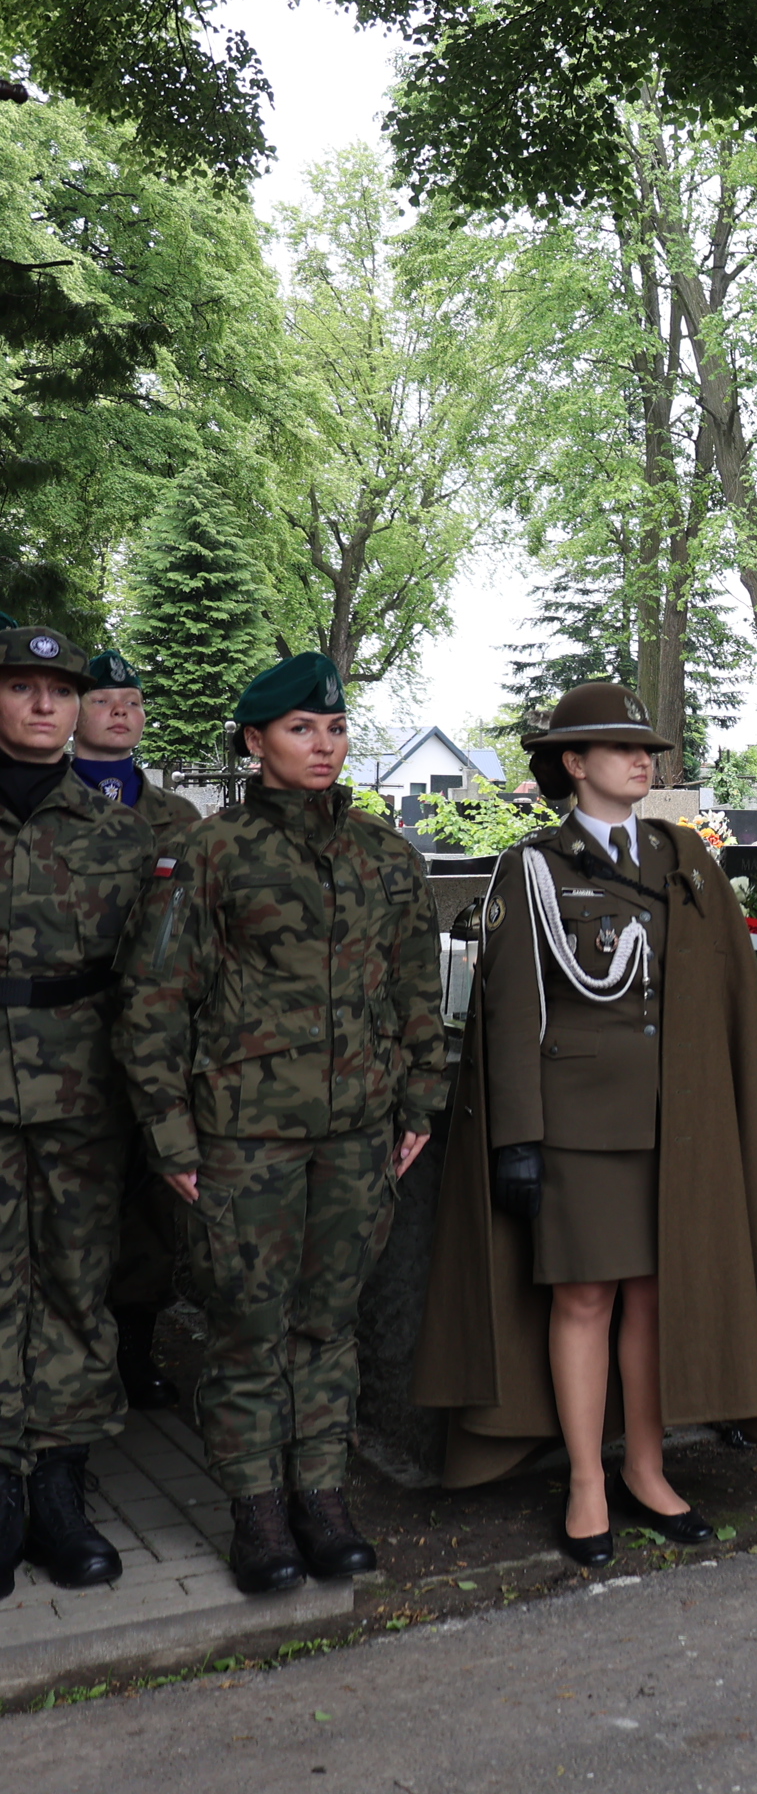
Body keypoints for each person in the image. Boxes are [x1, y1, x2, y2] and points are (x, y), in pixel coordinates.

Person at [411, 682, 757, 1563]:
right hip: (578, 1128)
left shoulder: (684, 857)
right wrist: (517, 1139)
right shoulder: (533, 867)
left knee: (652, 1298)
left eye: (648, 750)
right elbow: (511, 1014)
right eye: (622, 748)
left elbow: (718, 991)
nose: (643, 761)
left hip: (678, 1123)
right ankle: (586, 1482)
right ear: (573, 763)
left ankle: (645, 1467)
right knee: (584, 1298)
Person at [118, 651, 445, 1596]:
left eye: (336, 728)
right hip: (243, 1136)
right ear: (255, 742)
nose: (324, 745)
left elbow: (417, 988)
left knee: (329, 1322)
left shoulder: (384, 856)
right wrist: (169, 1134)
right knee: (248, 1325)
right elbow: (153, 1000)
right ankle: (257, 1509)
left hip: (358, 1133)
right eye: (302, 729)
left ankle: (323, 1496)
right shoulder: (211, 852)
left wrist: (421, 1098)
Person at [0, 626, 162, 1598]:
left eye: (59, 691)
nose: (43, 705)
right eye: (22, 687)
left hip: (81, 1096)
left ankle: (58, 1487)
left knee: (74, 1286)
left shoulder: (119, 835)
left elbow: (152, 981)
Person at [75, 647, 204, 1413]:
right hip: (66, 1041)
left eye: (131, 701)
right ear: (74, 715)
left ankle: (134, 1347)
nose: (120, 711)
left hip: (157, 1041)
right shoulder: (43, 803)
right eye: (103, 700)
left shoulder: (177, 819)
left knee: (152, 1206)